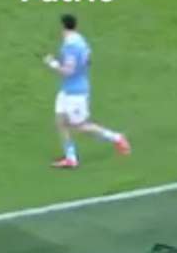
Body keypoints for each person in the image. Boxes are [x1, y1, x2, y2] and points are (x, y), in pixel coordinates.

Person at [44, 14, 131, 168]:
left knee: (80, 126)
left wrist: (53, 64)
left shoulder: (70, 46)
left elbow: (68, 71)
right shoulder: (81, 41)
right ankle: (71, 158)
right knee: (60, 121)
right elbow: (88, 61)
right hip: (67, 90)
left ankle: (116, 138)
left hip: (75, 93)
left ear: (63, 27)